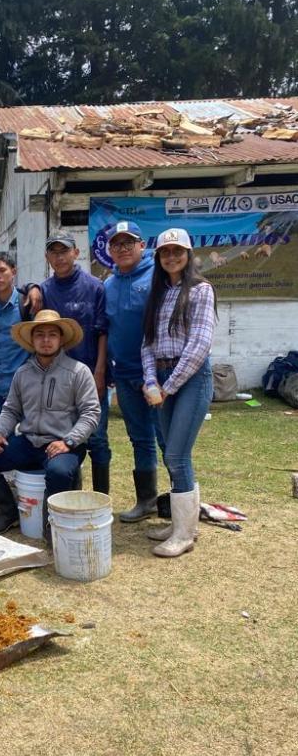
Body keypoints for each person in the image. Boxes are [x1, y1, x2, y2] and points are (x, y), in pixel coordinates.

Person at [0, 310, 100, 541]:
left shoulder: (78, 372)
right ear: (32, 340)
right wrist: (0, 432)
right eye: (40, 335)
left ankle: (52, 528)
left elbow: (91, 413)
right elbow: (12, 408)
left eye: (52, 334)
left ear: (61, 339)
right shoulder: (22, 373)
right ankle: (9, 513)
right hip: (29, 441)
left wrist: (69, 441)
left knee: (59, 471)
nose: (46, 340)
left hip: (65, 443)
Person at [141, 228, 216, 557]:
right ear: (158, 257)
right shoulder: (158, 294)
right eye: (165, 252)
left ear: (188, 254)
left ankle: (185, 534)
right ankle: (180, 525)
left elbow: (199, 346)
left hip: (191, 378)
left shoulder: (201, 290)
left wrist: (167, 388)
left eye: (177, 251)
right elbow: (147, 343)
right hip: (161, 377)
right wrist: (150, 380)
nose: (171, 257)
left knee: (176, 455)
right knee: (173, 453)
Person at [26, 234, 111, 493]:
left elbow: (102, 331)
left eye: (65, 251)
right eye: (54, 252)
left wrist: (99, 371)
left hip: (88, 372)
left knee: (97, 436)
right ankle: (70, 488)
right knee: (63, 436)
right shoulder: (45, 290)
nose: (59, 257)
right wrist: (32, 287)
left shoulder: (95, 286)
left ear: (76, 253)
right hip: (55, 377)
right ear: (47, 257)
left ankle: (100, 497)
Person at [104, 221, 166, 521]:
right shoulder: (108, 284)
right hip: (125, 376)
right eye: (117, 244)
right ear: (109, 251)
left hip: (157, 375)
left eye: (129, 242)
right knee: (139, 438)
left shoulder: (159, 276)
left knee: (168, 438)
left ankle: (183, 502)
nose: (123, 248)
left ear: (143, 245)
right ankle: (147, 500)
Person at [0, 252, 30, 428]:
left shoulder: (27, 304)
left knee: (27, 443)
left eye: (2, 270)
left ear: (14, 271)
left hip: (24, 390)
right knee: (0, 443)